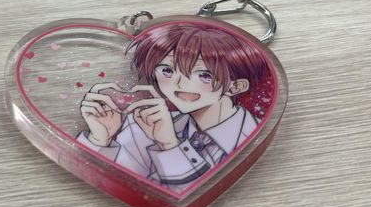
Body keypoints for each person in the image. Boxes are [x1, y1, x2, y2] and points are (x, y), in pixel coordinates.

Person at [77, 22, 270, 191]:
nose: (179, 83)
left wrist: (169, 145)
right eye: (167, 71)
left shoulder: (254, 136)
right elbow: (117, 185)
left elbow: (197, 192)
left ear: (235, 86)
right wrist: (100, 140)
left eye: (204, 75)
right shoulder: (145, 124)